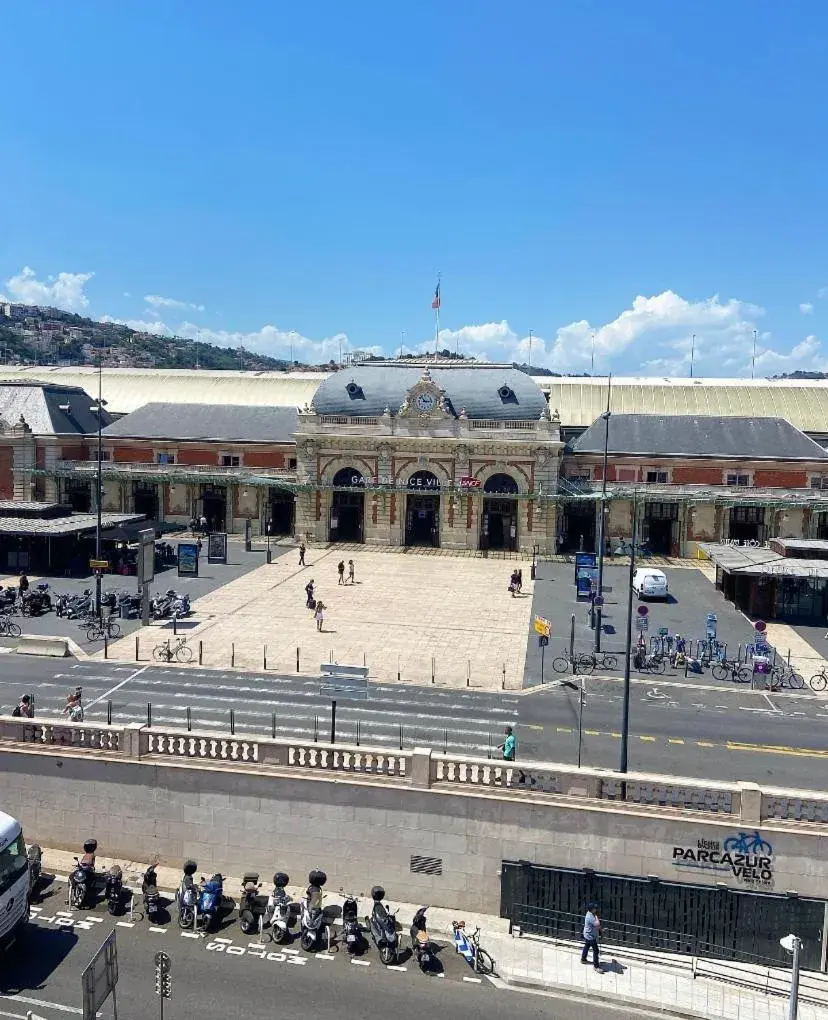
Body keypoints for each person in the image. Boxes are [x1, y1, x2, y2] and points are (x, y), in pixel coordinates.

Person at [581, 903, 601, 969]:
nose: (596, 909)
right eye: (595, 908)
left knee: (587, 946)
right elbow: (597, 924)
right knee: (596, 951)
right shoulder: (591, 917)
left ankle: (583, 959)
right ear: (592, 910)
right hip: (590, 936)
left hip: (587, 934)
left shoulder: (589, 913)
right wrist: (596, 916)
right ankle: (596, 966)